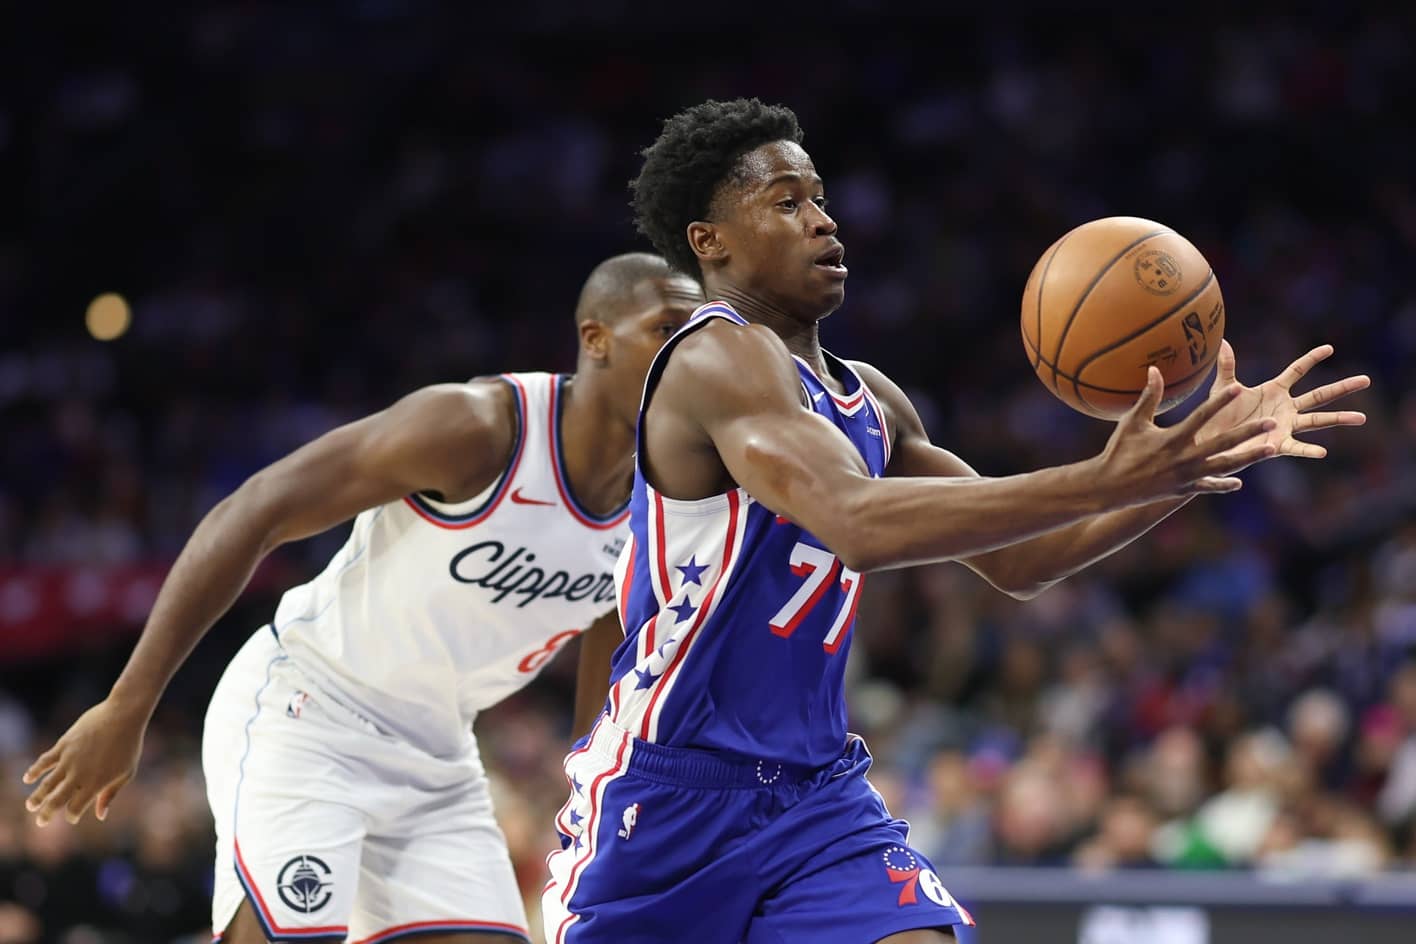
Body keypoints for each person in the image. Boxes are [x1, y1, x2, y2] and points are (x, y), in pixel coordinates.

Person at [540, 99, 1371, 944]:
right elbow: (854, 520)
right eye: (786, 202)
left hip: (815, 792)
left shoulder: (872, 400)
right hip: (671, 797)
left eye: (820, 197)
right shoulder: (715, 355)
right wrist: (1100, 476)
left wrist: (1187, 467)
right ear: (708, 241)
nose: (823, 219)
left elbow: (1026, 560)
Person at [22, 253, 703, 944]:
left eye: (701, 333)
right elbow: (256, 510)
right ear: (596, 340)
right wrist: (129, 704)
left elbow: (609, 634)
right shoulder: (478, 428)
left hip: (437, 753)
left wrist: (587, 789)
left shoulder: (662, 497)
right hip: (309, 711)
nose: (689, 352)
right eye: (666, 328)